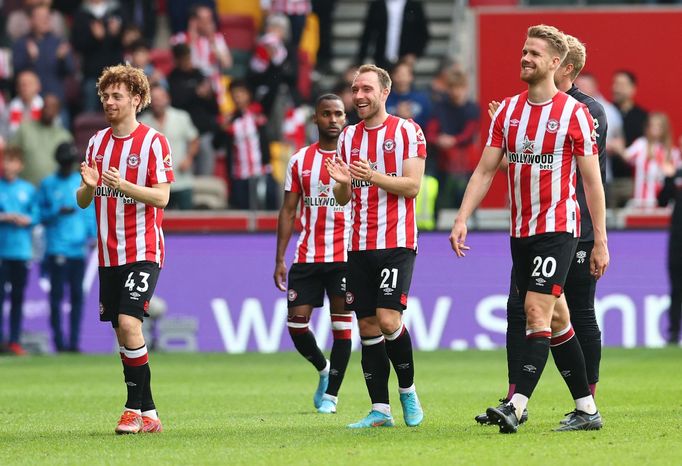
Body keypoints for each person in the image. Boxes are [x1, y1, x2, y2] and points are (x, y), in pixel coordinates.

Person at [449, 25, 609, 433]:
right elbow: (486, 169)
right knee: (557, 318)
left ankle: (516, 405)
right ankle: (587, 409)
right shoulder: (507, 112)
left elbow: (592, 182)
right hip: (520, 230)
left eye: (534, 54)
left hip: (559, 227)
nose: (525, 58)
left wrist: (601, 242)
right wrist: (462, 216)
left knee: (535, 311)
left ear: (556, 63)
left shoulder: (575, 114)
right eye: (524, 51)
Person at [326, 64, 426, 428]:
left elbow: (412, 186)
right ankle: (380, 410)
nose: (359, 96)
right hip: (358, 244)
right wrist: (340, 183)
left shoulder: (407, 131)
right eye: (355, 89)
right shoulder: (348, 137)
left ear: (385, 92)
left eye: (366, 89)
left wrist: (375, 176)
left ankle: (408, 392)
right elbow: (344, 197)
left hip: (396, 241)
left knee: (388, 320)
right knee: (367, 326)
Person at [76, 64, 174, 434]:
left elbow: (162, 198)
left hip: (143, 250)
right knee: (122, 332)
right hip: (108, 254)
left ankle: (132, 409)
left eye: (117, 96)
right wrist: (88, 186)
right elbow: (84, 200)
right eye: (105, 95)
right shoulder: (96, 143)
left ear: (136, 99)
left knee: (131, 323)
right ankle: (149, 414)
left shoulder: (153, 142)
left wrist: (125, 186)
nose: (109, 101)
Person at [274, 94, 352, 414]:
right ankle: (323, 369)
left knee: (342, 327)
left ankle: (331, 396)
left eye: (338, 114)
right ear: (315, 120)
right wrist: (280, 257)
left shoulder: (356, 159)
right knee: (296, 325)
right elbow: (289, 210)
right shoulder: (299, 161)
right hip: (307, 255)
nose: (333, 119)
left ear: (345, 118)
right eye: (326, 114)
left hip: (346, 256)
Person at [39, 142, 96, 352]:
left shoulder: (80, 181)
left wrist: (92, 234)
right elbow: (39, 215)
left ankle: (73, 342)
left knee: (77, 298)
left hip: (77, 249)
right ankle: (59, 342)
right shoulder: (47, 184)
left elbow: (89, 211)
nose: (66, 167)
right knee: (56, 298)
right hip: (56, 249)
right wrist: (56, 211)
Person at [0, 146, 39, 356]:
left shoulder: (28, 189)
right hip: (2, 252)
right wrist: (5, 217)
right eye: (6, 161)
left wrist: (27, 219)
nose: (7, 165)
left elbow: (37, 215)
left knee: (17, 299)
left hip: (21, 251)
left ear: (20, 165)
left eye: (12, 161)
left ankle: (14, 341)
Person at [427, 70, 480, 213]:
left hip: (466, 162)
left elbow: (469, 133)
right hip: (443, 161)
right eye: (452, 88)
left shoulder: (472, 108)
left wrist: (452, 140)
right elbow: (430, 132)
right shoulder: (439, 107)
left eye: (459, 88)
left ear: (465, 88)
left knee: (467, 197)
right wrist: (439, 140)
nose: (456, 92)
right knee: (440, 197)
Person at [139, 84, 199, 210]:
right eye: (153, 99)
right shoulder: (142, 122)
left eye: (160, 98)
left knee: (187, 220)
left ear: (167, 98)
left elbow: (194, 140)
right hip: (155, 185)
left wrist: (189, 158)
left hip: (182, 180)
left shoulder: (182, 117)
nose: (157, 102)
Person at [221, 79, 278, 210]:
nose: (238, 97)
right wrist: (222, 130)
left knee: (269, 209)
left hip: (262, 170)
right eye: (234, 94)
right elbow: (217, 143)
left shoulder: (258, 114)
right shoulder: (230, 120)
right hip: (240, 173)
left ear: (249, 95)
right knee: (242, 212)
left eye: (241, 93)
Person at [615, 112, 680, 208]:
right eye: (652, 125)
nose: (655, 128)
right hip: (640, 201)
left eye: (658, 125)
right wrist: (617, 146)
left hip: (662, 204)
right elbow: (626, 155)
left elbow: (674, 174)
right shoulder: (641, 144)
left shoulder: (671, 151)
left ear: (665, 128)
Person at [11, 93, 73, 186]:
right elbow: (11, 155)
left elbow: (71, 166)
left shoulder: (65, 136)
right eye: (46, 106)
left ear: (58, 111)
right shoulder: (24, 129)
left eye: (52, 107)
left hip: (54, 193)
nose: (48, 110)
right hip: (26, 190)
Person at [356, 0, 430, 70]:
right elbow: (367, 34)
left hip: (404, 60)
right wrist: (360, 59)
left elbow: (423, 34)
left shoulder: (414, 6)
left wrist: (414, 54)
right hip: (381, 59)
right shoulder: (377, 5)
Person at [658, 159, 682, 345]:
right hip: (677, 239)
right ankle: (674, 332)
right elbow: (663, 201)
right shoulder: (677, 175)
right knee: (676, 288)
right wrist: (668, 178)